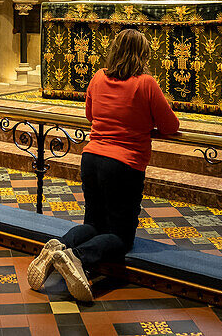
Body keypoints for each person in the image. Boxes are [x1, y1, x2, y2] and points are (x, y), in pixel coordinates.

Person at [27, 29, 180, 302]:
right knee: (121, 236)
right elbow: (170, 126)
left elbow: (89, 114)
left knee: (95, 223)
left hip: (92, 158)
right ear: (141, 55)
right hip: (124, 164)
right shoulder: (146, 83)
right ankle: (76, 257)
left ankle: (58, 247)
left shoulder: (98, 76)